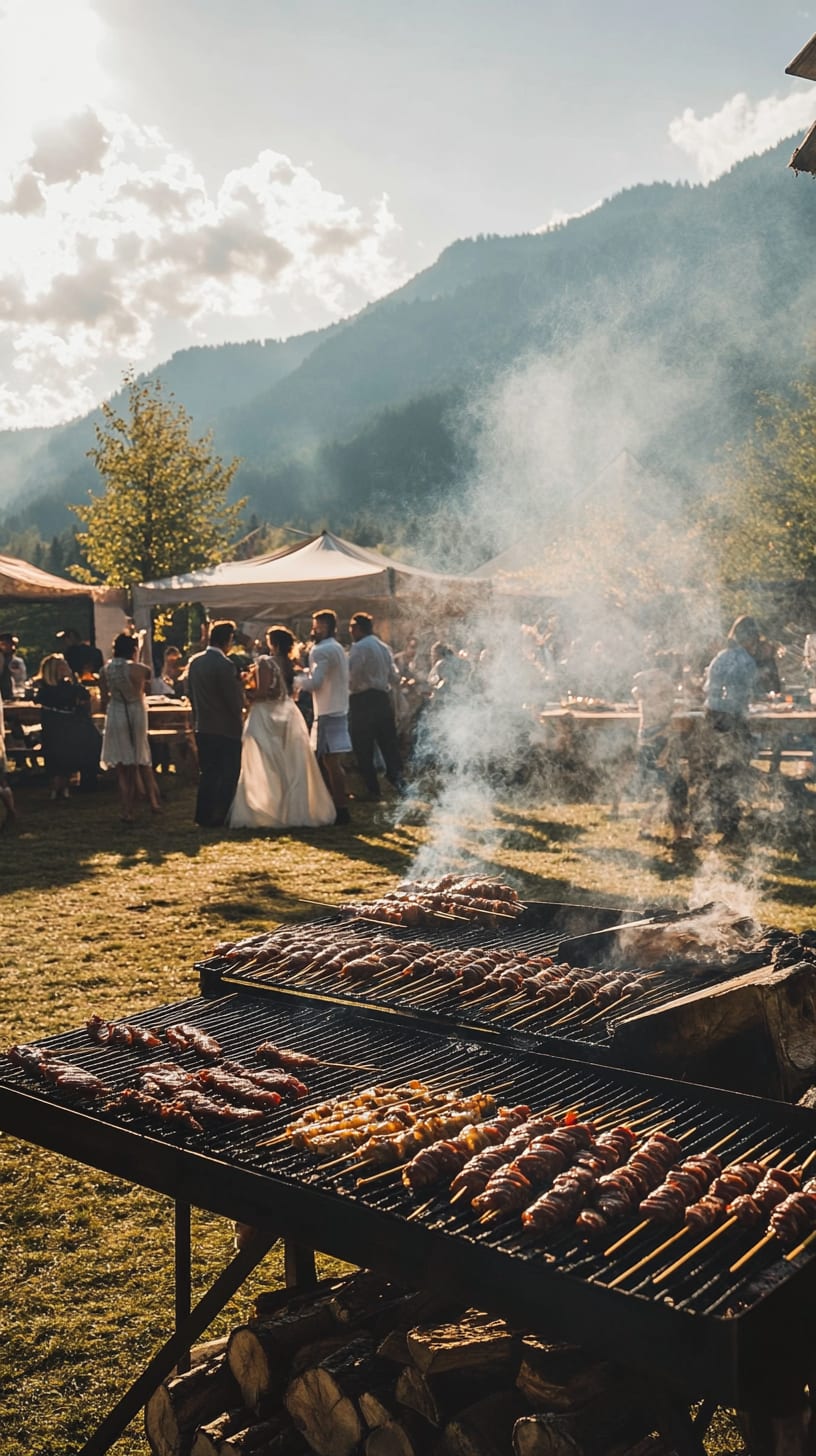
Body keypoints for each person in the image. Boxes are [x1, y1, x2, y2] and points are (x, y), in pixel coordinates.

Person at [227, 625, 336, 830]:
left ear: (273, 643)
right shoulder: (289, 663)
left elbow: (264, 693)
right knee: (289, 762)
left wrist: (243, 689)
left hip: (267, 714)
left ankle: (268, 808)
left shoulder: (266, 662)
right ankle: (290, 809)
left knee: (264, 759)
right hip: (288, 712)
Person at [701, 615, 760, 841]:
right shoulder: (746, 661)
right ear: (751, 638)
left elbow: (708, 689)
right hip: (732, 719)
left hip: (712, 717)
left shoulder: (720, 657)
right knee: (735, 769)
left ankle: (715, 819)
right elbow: (743, 695)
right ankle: (730, 825)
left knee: (716, 770)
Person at [186, 620, 245, 827]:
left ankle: (203, 815)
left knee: (208, 772)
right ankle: (221, 814)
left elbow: (189, 693)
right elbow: (233, 701)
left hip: (203, 725)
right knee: (228, 773)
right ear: (227, 640)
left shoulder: (194, 662)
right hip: (226, 728)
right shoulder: (225, 665)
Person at [296, 609, 352, 825]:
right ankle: (339, 806)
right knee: (332, 762)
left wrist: (297, 679)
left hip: (327, 711)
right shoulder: (337, 648)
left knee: (328, 762)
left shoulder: (322, 650)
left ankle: (337, 807)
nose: (313, 630)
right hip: (339, 708)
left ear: (325, 627)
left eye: (316, 626)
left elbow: (316, 682)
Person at [100, 632, 162, 821]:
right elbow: (150, 685)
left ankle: (127, 807)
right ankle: (152, 801)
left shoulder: (105, 671)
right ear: (133, 650)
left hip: (115, 711)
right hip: (136, 710)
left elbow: (104, 700)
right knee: (141, 756)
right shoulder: (140, 670)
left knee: (122, 763)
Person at [347, 611, 406, 800]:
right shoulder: (384, 647)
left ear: (357, 628)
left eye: (351, 628)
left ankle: (372, 789)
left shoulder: (359, 648)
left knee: (363, 746)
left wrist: (351, 689)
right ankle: (398, 780)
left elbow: (353, 676)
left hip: (363, 699)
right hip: (382, 698)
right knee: (388, 743)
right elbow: (394, 676)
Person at [34, 653, 102, 799]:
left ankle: (70, 781)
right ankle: (80, 779)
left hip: (65, 730)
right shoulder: (52, 690)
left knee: (92, 736)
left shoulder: (63, 688)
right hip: (63, 731)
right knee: (90, 738)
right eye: (63, 665)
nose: (67, 667)